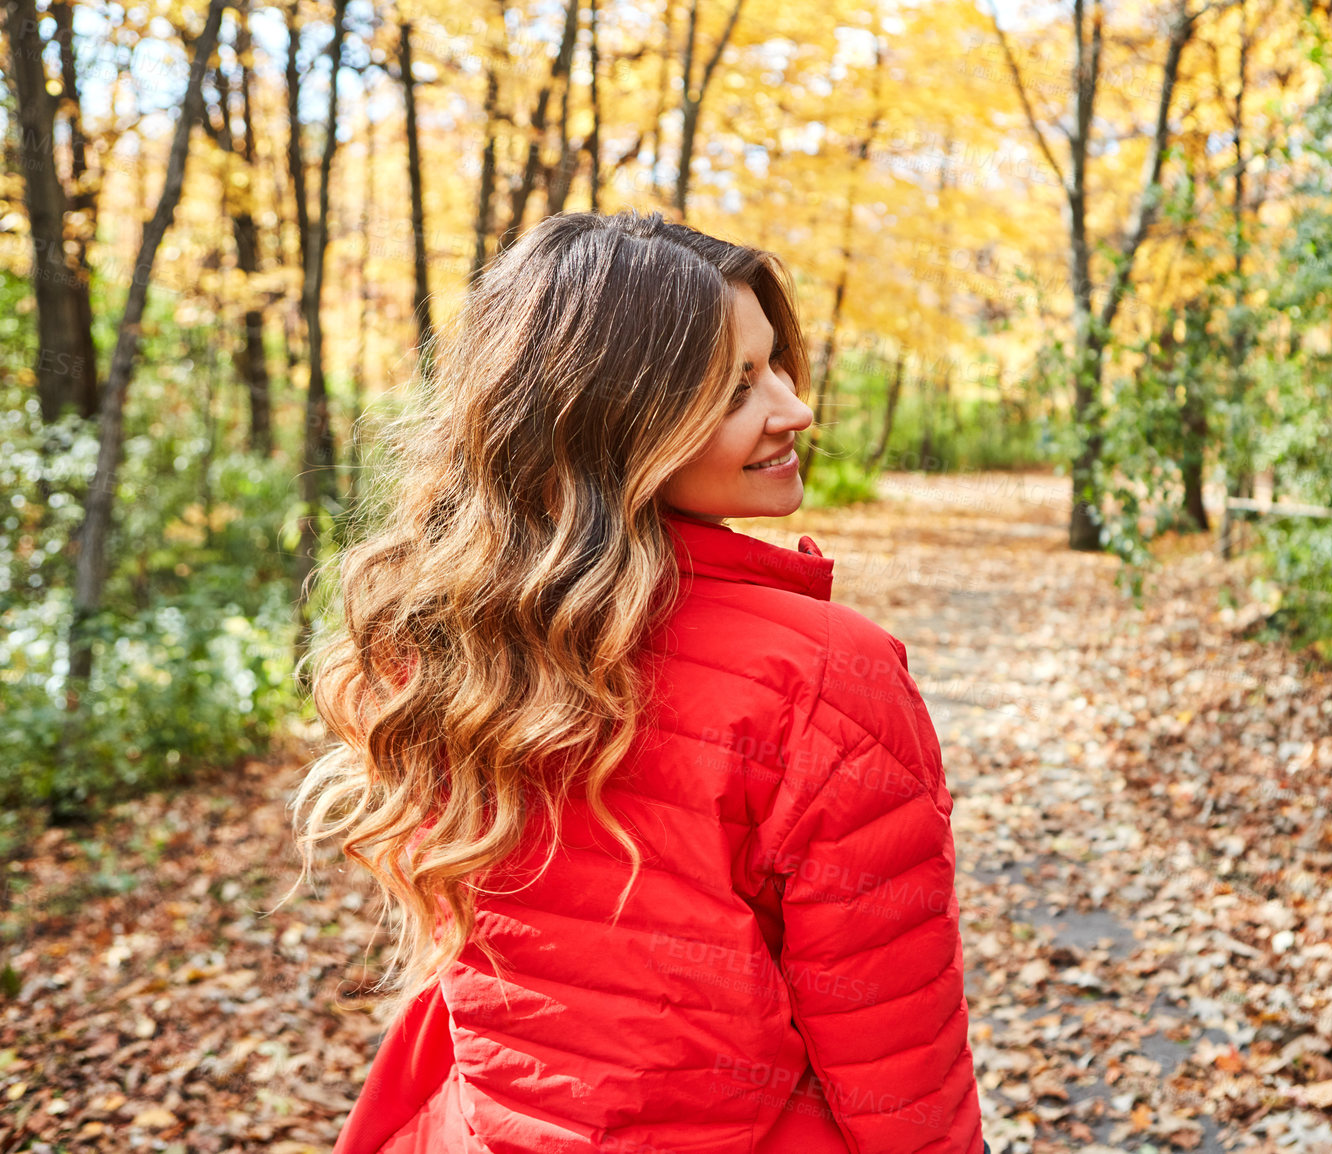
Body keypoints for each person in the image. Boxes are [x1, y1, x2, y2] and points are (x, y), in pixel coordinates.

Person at [295, 208, 987, 1153]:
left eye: (776, 364)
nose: (794, 409)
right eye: (737, 388)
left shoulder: (450, 642)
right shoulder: (825, 677)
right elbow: (899, 1058)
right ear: (614, 421)